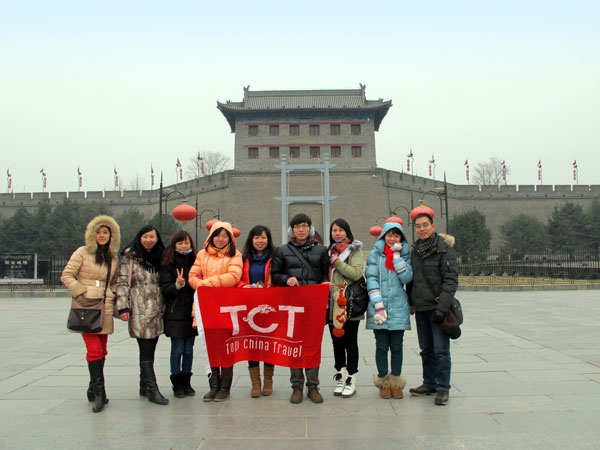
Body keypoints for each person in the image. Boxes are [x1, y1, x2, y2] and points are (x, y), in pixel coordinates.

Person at [61, 215, 121, 413]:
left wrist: (111, 294)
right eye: (98, 232)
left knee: (103, 350)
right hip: (86, 305)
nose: (102, 235)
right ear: (92, 234)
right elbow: (67, 275)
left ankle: (92, 387)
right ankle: (100, 394)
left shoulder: (112, 257)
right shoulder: (82, 252)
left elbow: (114, 280)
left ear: (112, 235)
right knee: (94, 350)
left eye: (106, 232)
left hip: (104, 305)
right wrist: (81, 291)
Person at [271, 213, 329, 404]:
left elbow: (324, 276)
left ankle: (313, 385)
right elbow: (275, 274)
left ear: (310, 229)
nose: (301, 229)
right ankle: (296, 386)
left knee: (312, 345)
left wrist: (323, 291)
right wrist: (286, 279)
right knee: (293, 345)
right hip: (292, 306)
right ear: (292, 230)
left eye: (304, 226)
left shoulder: (321, 251)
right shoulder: (282, 250)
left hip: (313, 306)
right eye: (297, 226)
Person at [407, 206, 458, 406]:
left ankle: (443, 387)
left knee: (441, 350)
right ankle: (429, 382)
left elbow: (451, 280)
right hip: (421, 307)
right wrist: (411, 301)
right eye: (418, 226)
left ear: (433, 226)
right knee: (426, 349)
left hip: (438, 308)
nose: (421, 229)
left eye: (425, 225)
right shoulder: (415, 250)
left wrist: (442, 308)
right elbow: (413, 279)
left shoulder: (443, 247)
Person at [188, 221, 243, 402]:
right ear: (211, 237)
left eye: (224, 235)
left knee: (226, 348)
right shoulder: (202, 255)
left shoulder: (235, 255)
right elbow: (192, 276)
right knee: (210, 348)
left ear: (230, 238)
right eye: (217, 235)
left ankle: (225, 388)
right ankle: (213, 386)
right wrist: (200, 283)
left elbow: (234, 277)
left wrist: (206, 284)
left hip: (226, 307)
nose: (220, 239)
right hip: (206, 307)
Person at [116, 225, 169, 406]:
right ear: (140, 238)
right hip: (139, 303)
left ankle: (143, 385)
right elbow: (122, 281)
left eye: (152, 237)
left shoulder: (162, 255)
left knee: (152, 344)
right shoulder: (130, 257)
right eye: (145, 236)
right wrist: (123, 307)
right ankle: (153, 390)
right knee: (145, 347)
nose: (149, 240)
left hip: (157, 303)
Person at [365, 221, 413, 399]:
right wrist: (378, 304)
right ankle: (384, 381)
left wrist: (398, 257)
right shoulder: (374, 255)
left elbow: (407, 278)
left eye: (396, 235)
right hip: (379, 307)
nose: (392, 239)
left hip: (399, 306)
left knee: (397, 346)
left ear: (401, 238)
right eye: (389, 235)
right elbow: (371, 279)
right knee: (382, 346)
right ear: (383, 236)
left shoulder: (405, 256)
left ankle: (396, 381)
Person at [327, 218, 365, 398]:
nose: (337, 233)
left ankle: (352, 377)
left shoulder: (354, 250)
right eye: (334, 230)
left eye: (341, 230)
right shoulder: (328, 251)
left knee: (350, 343)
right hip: (332, 305)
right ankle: (340, 375)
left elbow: (356, 273)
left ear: (347, 232)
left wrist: (336, 263)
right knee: (337, 343)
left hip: (348, 303)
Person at [238, 225, 277, 398]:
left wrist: (270, 288)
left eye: (263, 237)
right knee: (252, 344)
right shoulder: (243, 258)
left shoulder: (275, 257)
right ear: (251, 240)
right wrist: (243, 286)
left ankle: (268, 380)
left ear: (268, 239)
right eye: (256, 238)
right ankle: (256, 382)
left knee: (268, 343)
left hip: (269, 306)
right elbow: (237, 278)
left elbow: (279, 276)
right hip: (249, 306)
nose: (260, 241)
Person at [159, 230, 198, 399]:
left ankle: (186, 381)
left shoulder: (196, 262)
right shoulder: (168, 264)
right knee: (177, 349)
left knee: (189, 350)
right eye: (180, 243)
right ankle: (176, 382)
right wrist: (177, 285)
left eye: (187, 242)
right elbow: (164, 290)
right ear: (174, 244)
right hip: (175, 313)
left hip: (191, 312)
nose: (184, 246)